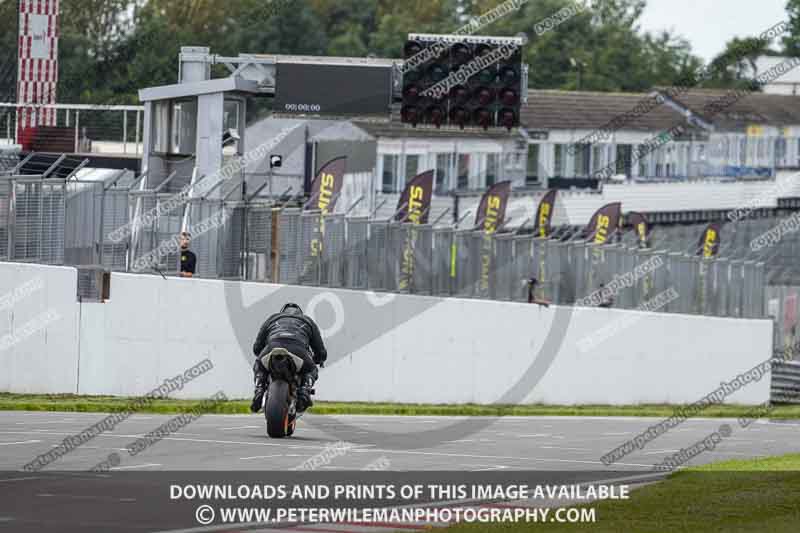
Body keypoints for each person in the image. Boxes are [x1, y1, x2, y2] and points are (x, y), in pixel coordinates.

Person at [250, 303, 328, 413]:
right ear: (300, 313)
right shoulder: (308, 321)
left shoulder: (272, 318)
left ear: (282, 312)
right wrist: (318, 359)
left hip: (273, 346)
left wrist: (261, 354)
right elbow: (320, 351)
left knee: (259, 365)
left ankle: (259, 389)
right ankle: (305, 390)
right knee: (311, 369)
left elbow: (257, 348)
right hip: (298, 349)